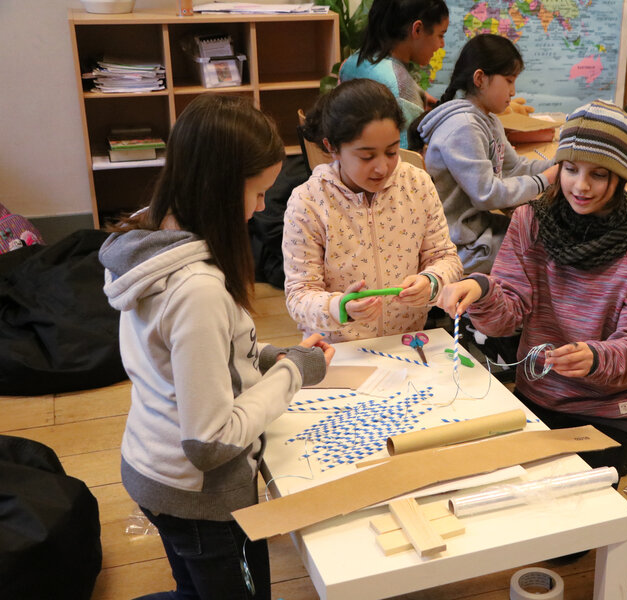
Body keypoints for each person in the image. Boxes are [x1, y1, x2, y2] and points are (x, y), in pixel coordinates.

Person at [98, 94, 334, 600]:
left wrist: (270, 356)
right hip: (196, 497)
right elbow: (209, 442)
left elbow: (189, 356)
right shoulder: (197, 289)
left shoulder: (152, 232)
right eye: (256, 193)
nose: (261, 207)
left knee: (195, 590)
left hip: (151, 466)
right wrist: (292, 374)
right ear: (219, 190)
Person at [436, 100, 627, 476]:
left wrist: (596, 357)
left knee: (570, 489)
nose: (581, 185)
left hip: (604, 412)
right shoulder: (530, 221)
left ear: (620, 176)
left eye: (598, 174)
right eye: (571, 169)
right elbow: (505, 318)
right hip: (538, 398)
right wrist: (481, 289)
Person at [283, 78, 462, 342]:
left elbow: (446, 258)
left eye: (391, 152)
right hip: (337, 350)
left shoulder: (417, 184)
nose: (382, 168)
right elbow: (299, 295)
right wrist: (340, 307)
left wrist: (432, 282)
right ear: (332, 147)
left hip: (407, 343)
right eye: (367, 156)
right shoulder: (308, 202)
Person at [412, 33, 558, 275]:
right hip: (456, 246)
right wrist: (546, 180)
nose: (513, 91)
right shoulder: (463, 126)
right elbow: (487, 195)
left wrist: (561, 165)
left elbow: (514, 167)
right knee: (545, 250)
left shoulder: (487, 120)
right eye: (509, 81)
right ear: (480, 78)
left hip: (476, 229)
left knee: (542, 235)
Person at [338, 0, 449, 149]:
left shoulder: (353, 62)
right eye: (440, 35)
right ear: (417, 30)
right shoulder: (402, 88)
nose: (442, 45)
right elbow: (408, 157)